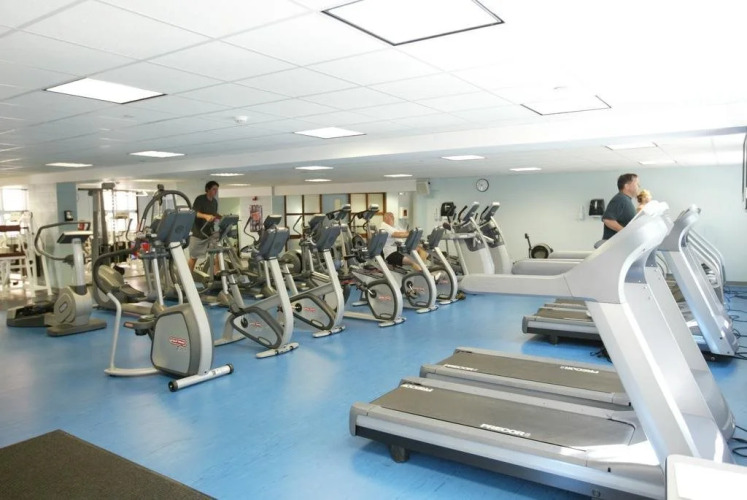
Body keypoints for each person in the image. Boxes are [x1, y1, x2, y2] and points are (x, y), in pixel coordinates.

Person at [188, 181, 220, 272]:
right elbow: (195, 213)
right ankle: (188, 277)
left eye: (216, 190)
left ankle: (217, 274)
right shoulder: (200, 199)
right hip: (198, 233)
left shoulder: (214, 202)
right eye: (214, 189)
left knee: (218, 253)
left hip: (209, 233)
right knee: (194, 257)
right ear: (207, 189)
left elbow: (214, 214)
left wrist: (221, 217)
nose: (216, 191)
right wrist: (205, 216)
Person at [600, 173, 639, 243]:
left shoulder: (626, 200)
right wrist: (626, 233)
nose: (638, 186)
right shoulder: (620, 199)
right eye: (636, 184)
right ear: (627, 186)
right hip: (615, 245)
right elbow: (608, 220)